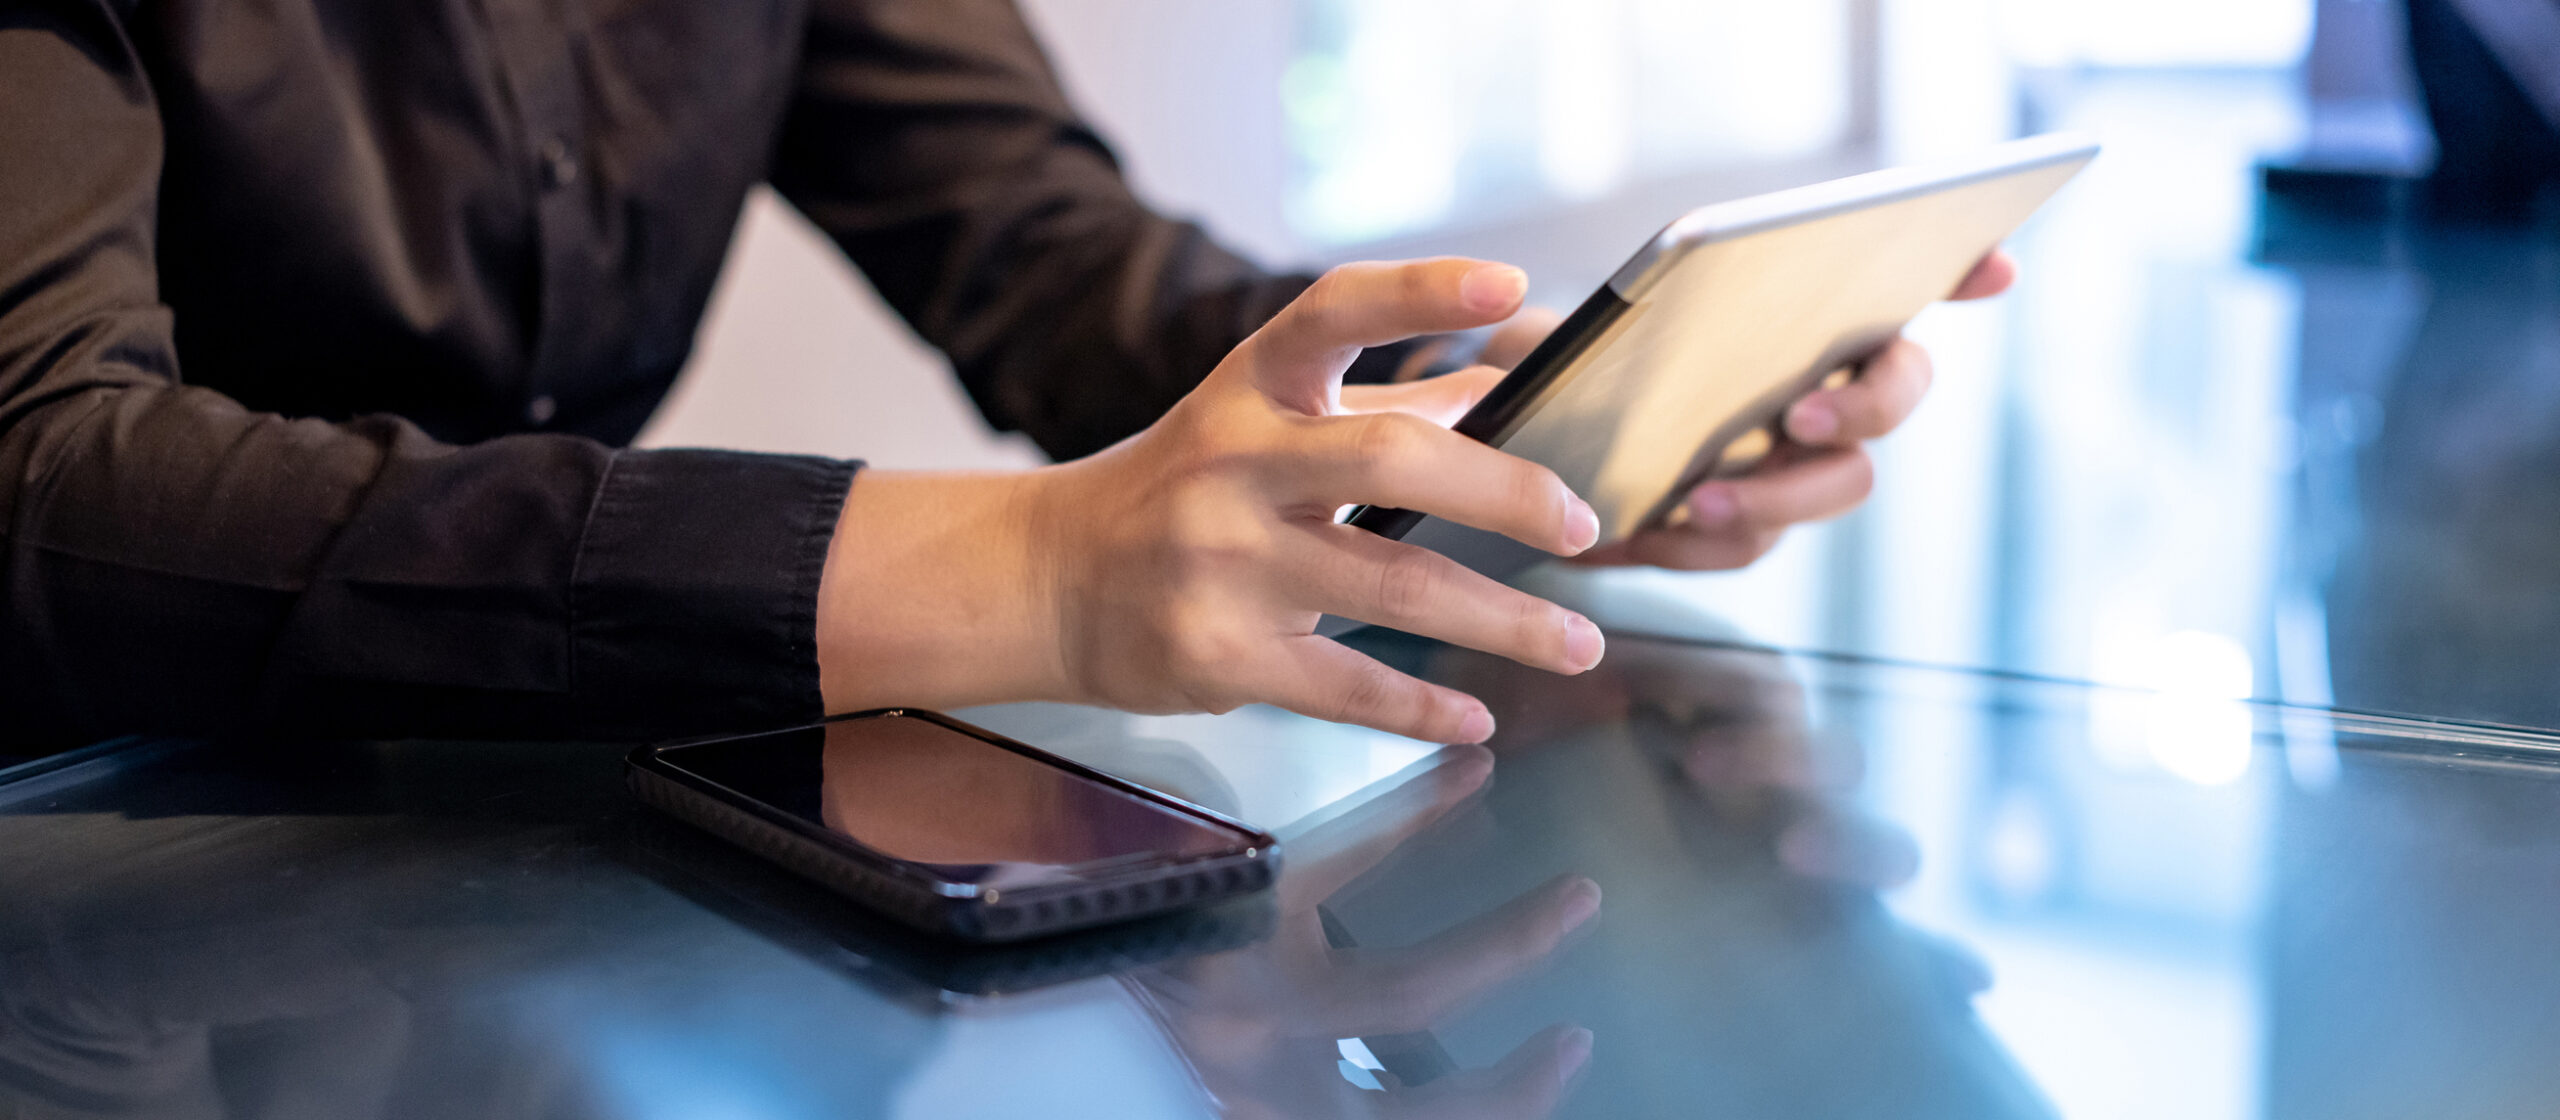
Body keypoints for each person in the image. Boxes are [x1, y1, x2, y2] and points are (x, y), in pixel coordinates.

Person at [0, 0, 2011, 755]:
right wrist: (1033, 575)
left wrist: (1512, 409)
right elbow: (39, 475)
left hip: (477, 840)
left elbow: (1055, 257)